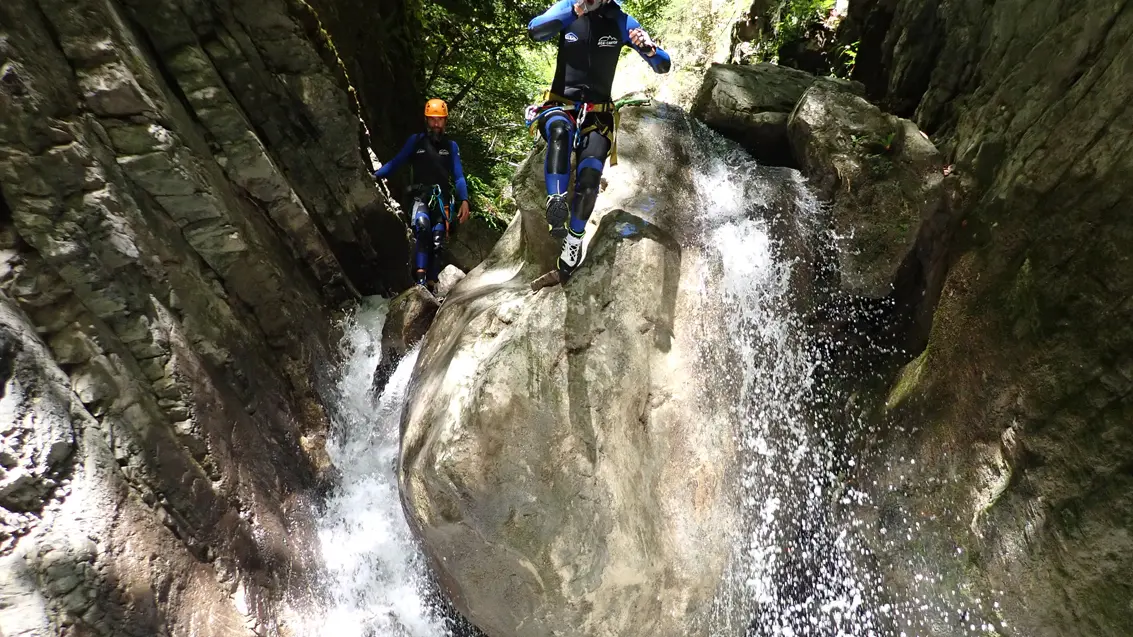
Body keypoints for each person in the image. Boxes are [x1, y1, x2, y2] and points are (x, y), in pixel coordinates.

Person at [526, 0, 670, 283]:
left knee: (590, 180)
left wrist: (650, 49)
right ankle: (556, 201)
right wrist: (574, 12)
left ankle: (574, 240)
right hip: (560, 107)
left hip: (598, 115)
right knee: (559, 134)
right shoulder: (569, 6)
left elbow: (662, 66)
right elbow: (535, 30)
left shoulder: (621, 20)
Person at [374, 98, 471, 292]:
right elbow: (397, 162)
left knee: (437, 240)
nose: (436, 124)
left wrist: (464, 200)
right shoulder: (416, 141)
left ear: (445, 121)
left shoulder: (450, 147)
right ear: (426, 120)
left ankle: (432, 283)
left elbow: (458, 176)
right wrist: (375, 176)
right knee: (422, 228)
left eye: (440, 120)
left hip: (441, 200)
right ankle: (419, 282)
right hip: (419, 197)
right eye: (432, 119)